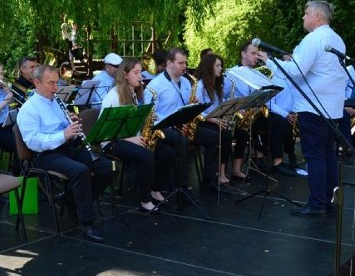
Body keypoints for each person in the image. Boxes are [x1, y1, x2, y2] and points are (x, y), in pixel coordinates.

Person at [16, 65, 114, 243]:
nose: (55, 88)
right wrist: (64, 134)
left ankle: (71, 199)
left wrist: (70, 122)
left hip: (67, 147)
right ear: (37, 83)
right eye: (51, 83)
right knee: (80, 171)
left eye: (56, 82)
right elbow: (33, 141)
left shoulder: (56, 101)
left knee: (107, 167)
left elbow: (62, 128)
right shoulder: (29, 109)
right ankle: (87, 222)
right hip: (45, 155)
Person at [284, 0, 346, 216]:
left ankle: (317, 203)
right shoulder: (336, 38)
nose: (303, 16)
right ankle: (329, 199)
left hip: (313, 107)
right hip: (332, 108)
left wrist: (271, 62)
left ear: (318, 16)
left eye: (306, 13)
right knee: (327, 153)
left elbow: (296, 71)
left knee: (314, 156)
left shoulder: (313, 39)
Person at [144, 48, 221, 193]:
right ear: (169, 63)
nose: (185, 66)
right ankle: (181, 186)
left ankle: (208, 181)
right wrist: (171, 121)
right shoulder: (155, 85)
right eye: (181, 63)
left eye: (185, 63)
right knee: (181, 141)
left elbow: (186, 107)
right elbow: (149, 114)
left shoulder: (186, 82)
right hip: (162, 127)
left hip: (183, 125)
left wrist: (194, 105)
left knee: (214, 137)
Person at [101, 58, 168, 212]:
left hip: (130, 137)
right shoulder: (113, 97)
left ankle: (155, 190)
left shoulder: (133, 93)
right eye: (136, 73)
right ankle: (145, 201)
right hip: (112, 141)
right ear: (125, 74)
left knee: (166, 153)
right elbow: (106, 131)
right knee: (146, 156)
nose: (140, 76)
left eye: (140, 72)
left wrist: (145, 118)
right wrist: (130, 139)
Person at [226, 42, 297, 177]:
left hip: (256, 115)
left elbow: (268, 97)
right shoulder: (232, 73)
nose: (256, 57)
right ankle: (260, 154)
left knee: (280, 122)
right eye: (253, 53)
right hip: (241, 116)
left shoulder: (258, 73)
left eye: (257, 54)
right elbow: (224, 96)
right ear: (243, 54)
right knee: (279, 122)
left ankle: (274, 160)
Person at [195, 53, 236, 184]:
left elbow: (218, 107)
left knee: (230, 134)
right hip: (202, 122)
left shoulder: (216, 86)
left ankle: (221, 172)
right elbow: (198, 112)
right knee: (220, 135)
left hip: (213, 120)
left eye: (221, 65)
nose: (221, 68)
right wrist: (216, 121)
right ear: (209, 68)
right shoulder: (200, 87)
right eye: (217, 66)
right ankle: (211, 177)